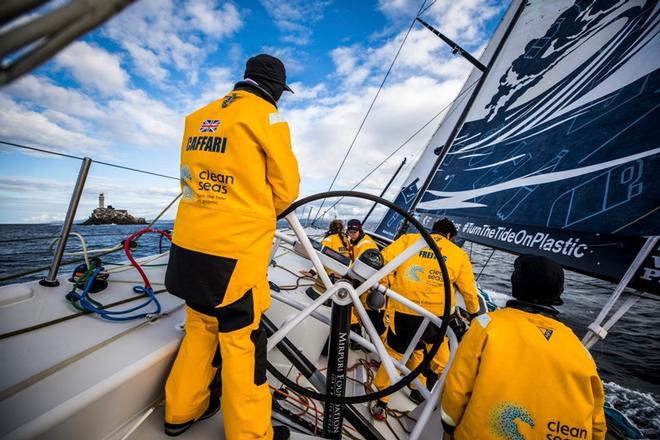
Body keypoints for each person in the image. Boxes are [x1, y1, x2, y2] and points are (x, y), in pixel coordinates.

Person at [163, 54, 299, 439]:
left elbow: (189, 179)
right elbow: (286, 193)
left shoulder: (197, 117)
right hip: (234, 256)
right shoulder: (268, 118)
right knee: (242, 344)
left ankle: (180, 412)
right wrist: (255, 210)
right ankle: (252, 434)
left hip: (188, 247)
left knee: (201, 328)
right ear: (275, 90)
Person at [440, 255, 606, 440]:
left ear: (515, 283)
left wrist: (448, 427)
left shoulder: (487, 325)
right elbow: (597, 423)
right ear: (558, 292)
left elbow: (457, 388)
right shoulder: (580, 351)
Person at [370, 218, 480, 421]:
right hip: (435, 318)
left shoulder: (409, 240)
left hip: (402, 310)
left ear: (433, 231)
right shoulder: (459, 254)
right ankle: (418, 389)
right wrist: (473, 313)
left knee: (394, 354)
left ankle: (381, 402)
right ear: (451, 236)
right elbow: (469, 291)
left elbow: (382, 260)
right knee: (428, 352)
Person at [345, 219, 380, 348]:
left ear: (360, 231)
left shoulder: (366, 244)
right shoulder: (356, 241)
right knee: (358, 310)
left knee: (367, 313)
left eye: (354, 232)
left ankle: (374, 344)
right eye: (350, 232)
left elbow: (360, 265)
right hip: (361, 279)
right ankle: (359, 340)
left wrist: (346, 274)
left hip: (369, 283)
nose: (352, 235)